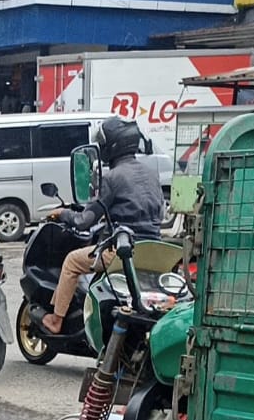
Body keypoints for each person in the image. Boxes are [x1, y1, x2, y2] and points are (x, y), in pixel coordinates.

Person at [42, 118, 165, 335]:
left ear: (113, 145)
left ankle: (56, 319)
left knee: (72, 261)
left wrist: (63, 214)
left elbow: (84, 221)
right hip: (153, 250)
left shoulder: (112, 178)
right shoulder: (151, 175)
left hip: (122, 253)